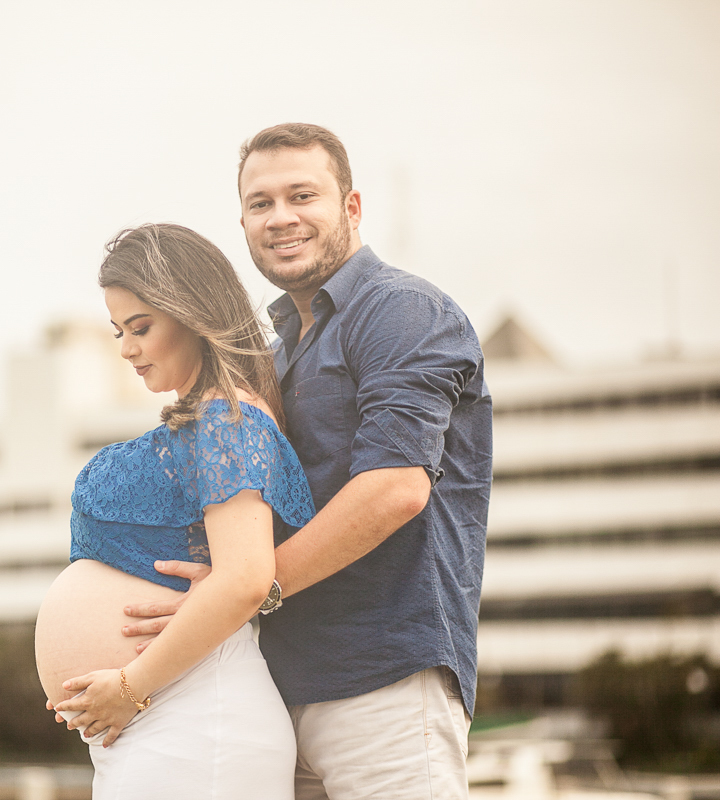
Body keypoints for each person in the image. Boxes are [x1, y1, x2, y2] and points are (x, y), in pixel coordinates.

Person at [122, 124, 493, 799]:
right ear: (242, 222)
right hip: (277, 686)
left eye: (302, 195)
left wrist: (243, 592)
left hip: (383, 680)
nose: (281, 217)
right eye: (260, 204)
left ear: (351, 207)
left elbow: (394, 490)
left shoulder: (402, 311)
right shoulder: (280, 349)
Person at [33, 223, 316, 800]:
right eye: (117, 331)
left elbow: (245, 578)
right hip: (165, 721)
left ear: (192, 313)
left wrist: (129, 687)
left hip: (195, 717)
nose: (126, 349)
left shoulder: (226, 421)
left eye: (140, 327)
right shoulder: (205, 421)